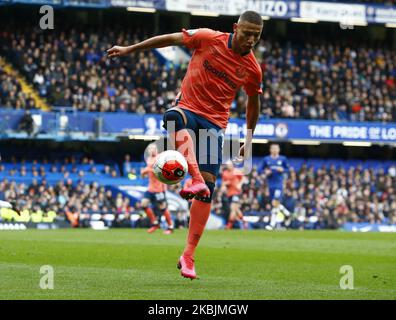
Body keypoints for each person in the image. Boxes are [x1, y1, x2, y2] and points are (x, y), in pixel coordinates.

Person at [107, 11, 263, 279]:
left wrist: (248, 140)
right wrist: (131, 49)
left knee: (207, 191)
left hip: (215, 125)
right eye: (247, 33)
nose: (250, 40)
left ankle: (188, 256)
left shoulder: (252, 68)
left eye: (256, 36)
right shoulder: (208, 38)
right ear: (235, 28)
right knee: (171, 117)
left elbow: (253, 102)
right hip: (188, 109)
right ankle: (193, 177)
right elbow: (169, 38)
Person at [141, 143, 174, 235]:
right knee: (143, 204)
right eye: (150, 149)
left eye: (153, 148)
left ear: (156, 149)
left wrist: (148, 170)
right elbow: (147, 171)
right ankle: (155, 223)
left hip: (159, 189)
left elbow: (161, 171)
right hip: (151, 188)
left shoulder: (160, 158)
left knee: (163, 208)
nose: (151, 150)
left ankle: (170, 227)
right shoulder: (149, 159)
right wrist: (143, 173)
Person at [261, 143, 290, 230]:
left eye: (276, 148)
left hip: (279, 185)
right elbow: (260, 169)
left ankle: (272, 224)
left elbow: (288, 169)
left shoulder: (283, 159)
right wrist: (265, 172)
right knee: (275, 204)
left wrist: (283, 170)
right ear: (270, 150)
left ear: (278, 150)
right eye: (272, 148)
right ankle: (287, 214)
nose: (274, 150)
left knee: (275, 203)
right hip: (270, 185)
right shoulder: (266, 159)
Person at [221, 161, 246, 229]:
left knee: (233, 209)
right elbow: (223, 183)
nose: (229, 166)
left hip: (236, 192)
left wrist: (240, 184)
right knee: (236, 209)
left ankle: (229, 225)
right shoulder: (225, 173)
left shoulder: (236, 171)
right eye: (228, 165)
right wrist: (225, 184)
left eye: (230, 165)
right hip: (229, 193)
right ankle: (244, 222)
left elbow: (243, 179)